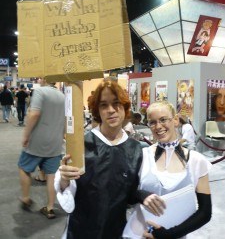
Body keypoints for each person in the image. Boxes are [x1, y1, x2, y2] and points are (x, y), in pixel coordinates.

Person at [54, 79, 144, 239]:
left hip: (117, 229)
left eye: (116, 103)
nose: (111, 110)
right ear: (97, 111)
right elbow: (67, 189)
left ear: (124, 107)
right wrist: (64, 180)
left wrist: (145, 195)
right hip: (82, 229)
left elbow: (131, 195)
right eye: (103, 105)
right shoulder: (81, 145)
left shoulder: (135, 149)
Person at [123, 101, 212, 239]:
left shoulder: (197, 161)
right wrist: (140, 195)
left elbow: (205, 212)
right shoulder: (142, 155)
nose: (158, 126)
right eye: (152, 122)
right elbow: (126, 194)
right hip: (138, 234)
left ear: (175, 120)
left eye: (163, 119)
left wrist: (168, 235)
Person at [18, 79, 65, 219]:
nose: (38, 79)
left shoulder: (39, 91)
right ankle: (50, 208)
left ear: (44, 78)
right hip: (55, 142)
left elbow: (34, 114)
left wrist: (26, 135)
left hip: (37, 141)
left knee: (23, 168)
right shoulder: (62, 96)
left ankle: (26, 198)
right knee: (52, 176)